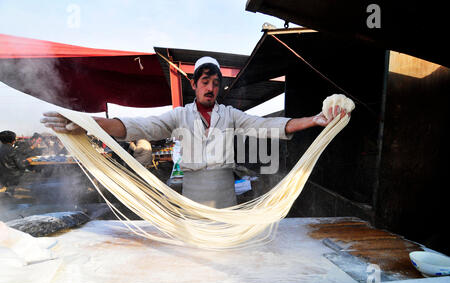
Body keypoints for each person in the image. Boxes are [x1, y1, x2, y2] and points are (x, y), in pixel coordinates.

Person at [41, 56, 348, 208]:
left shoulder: (231, 115)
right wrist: (91, 124)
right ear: (194, 85)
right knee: (198, 251)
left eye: (216, 83)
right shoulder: (179, 116)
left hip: (224, 192)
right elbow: (138, 126)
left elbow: (266, 126)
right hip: (193, 193)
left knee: (224, 245)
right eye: (205, 82)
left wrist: (314, 120)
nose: (210, 87)